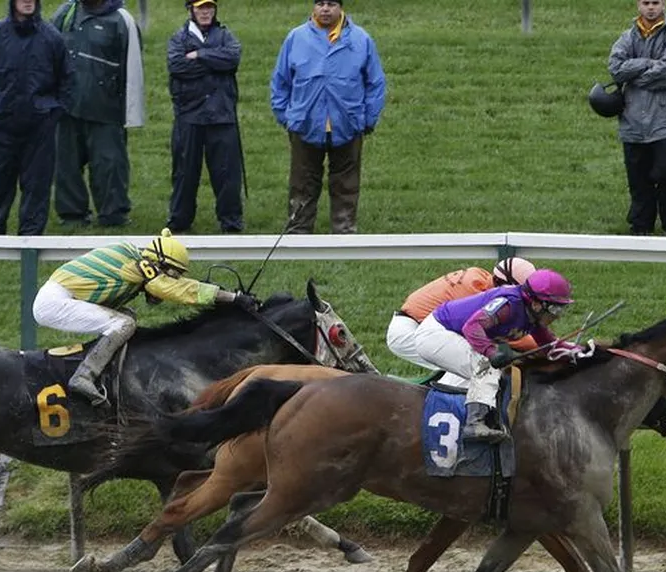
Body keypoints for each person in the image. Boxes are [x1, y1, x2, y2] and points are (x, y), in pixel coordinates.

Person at [33, 228, 256, 405]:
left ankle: (106, 370)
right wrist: (230, 297)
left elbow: (171, 285)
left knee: (126, 316)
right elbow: (171, 289)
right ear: (159, 264)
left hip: (61, 295)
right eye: (173, 275)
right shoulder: (139, 267)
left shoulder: (136, 262)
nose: (173, 280)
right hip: (55, 302)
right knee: (124, 323)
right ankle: (84, 376)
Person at [406, 269, 576, 443]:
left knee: (498, 372)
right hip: (435, 334)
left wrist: (581, 351)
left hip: (451, 335)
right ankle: (474, 424)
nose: (557, 315)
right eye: (555, 308)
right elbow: (472, 327)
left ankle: (488, 418)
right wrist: (491, 352)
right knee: (487, 366)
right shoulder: (508, 304)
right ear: (537, 303)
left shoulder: (532, 315)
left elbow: (550, 346)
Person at [271, 0, 385, 235]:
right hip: (305, 124)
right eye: (320, 3)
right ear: (313, 7)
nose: (325, 9)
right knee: (302, 183)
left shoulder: (361, 39)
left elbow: (375, 83)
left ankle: (344, 232)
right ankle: (298, 232)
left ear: (340, 8)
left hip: (348, 124)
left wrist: (367, 119)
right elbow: (280, 81)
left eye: (331, 4)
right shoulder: (296, 38)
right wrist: (287, 117)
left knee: (346, 184)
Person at [0, 0, 72, 236]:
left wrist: (52, 115)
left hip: (39, 128)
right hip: (0, 126)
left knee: (37, 186)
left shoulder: (52, 38)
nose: (27, 1)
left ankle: (31, 239)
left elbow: (67, 80)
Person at [51, 0, 145, 228]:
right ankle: (72, 215)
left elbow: (133, 68)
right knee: (66, 165)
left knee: (109, 165)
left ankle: (113, 215)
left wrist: (131, 114)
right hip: (67, 108)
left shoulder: (123, 20)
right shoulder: (66, 13)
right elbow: (49, 51)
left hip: (107, 110)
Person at [608, 0, 666, 237]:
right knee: (638, 176)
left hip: (665, 121)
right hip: (633, 120)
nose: (651, 8)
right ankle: (641, 224)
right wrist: (647, 63)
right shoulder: (626, 37)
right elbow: (615, 68)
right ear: (638, 5)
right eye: (646, 3)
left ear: (663, 4)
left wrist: (635, 76)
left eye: (655, 2)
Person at [166, 0, 245, 234]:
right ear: (191, 9)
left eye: (209, 7)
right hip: (189, 116)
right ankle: (180, 220)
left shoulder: (226, 35)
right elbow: (177, 65)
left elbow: (232, 58)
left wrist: (200, 55)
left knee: (227, 173)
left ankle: (231, 221)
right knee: (184, 172)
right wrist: (214, 62)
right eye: (201, 8)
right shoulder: (178, 38)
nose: (205, 12)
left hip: (222, 116)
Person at [386, 258, 539, 375]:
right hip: (409, 331)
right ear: (505, 284)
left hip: (414, 323)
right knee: (480, 369)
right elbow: (512, 338)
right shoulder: (475, 292)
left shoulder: (481, 276)